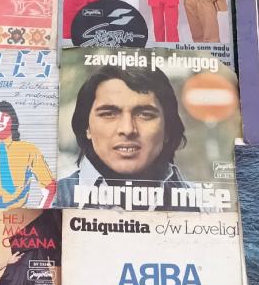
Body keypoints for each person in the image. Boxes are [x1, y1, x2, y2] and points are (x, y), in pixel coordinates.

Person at [54, 65, 193, 210]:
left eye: (145, 115)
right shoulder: (53, 200)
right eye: (108, 114)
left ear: (167, 129)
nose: (127, 129)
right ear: (87, 127)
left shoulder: (202, 204)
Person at [0, 101, 56, 208]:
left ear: (13, 119)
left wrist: (41, 211)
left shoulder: (29, 149)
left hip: (22, 212)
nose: (0, 119)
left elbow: (50, 186)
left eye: (5, 115)